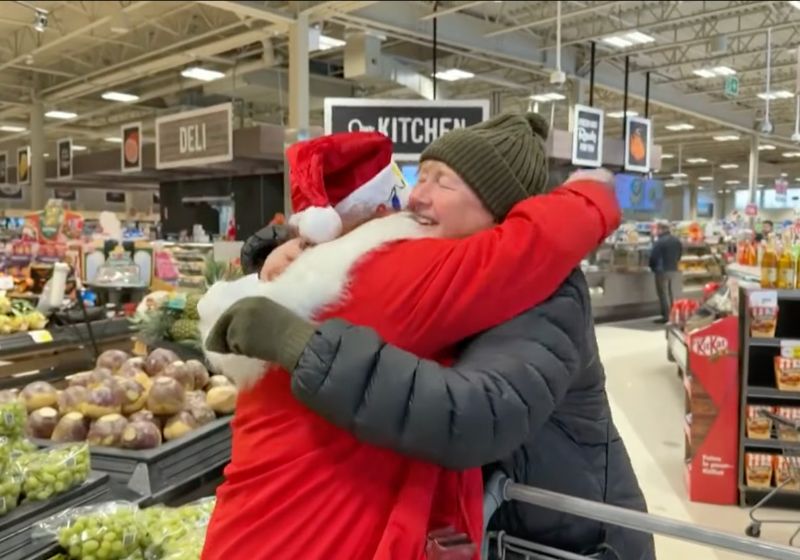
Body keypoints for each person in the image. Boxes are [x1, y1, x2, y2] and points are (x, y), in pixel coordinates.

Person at [200, 115, 623, 560]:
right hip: (316, 536)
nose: (416, 195)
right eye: (420, 176)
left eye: (444, 182)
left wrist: (300, 333)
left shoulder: (537, 288)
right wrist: (590, 191)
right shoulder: (412, 263)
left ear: (500, 211)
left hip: (573, 533)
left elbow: (476, 411)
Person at [650, 221, 682, 324]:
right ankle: (673, 314)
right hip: (673, 268)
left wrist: (652, 267)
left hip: (662, 270)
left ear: (660, 229)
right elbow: (680, 253)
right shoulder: (676, 240)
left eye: (656, 229)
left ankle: (667, 316)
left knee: (663, 293)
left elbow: (653, 256)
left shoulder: (660, 241)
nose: (655, 231)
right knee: (669, 292)